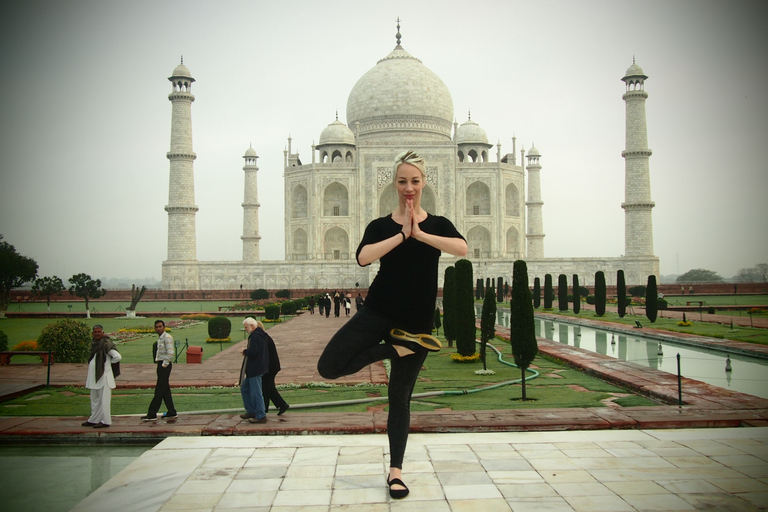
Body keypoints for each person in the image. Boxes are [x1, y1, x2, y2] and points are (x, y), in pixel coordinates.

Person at [317, 151, 467, 499]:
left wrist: (420, 233)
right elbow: (363, 258)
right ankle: (394, 347)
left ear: (424, 182)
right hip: (378, 313)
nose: (409, 187)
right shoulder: (380, 226)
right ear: (393, 184)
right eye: (402, 181)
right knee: (329, 366)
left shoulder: (439, 224)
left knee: (399, 398)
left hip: (417, 325)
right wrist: (402, 234)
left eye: (415, 181)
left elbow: (461, 248)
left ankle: (395, 472)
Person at [82, 325, 122, 428]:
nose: (97, 333)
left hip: (104, 377)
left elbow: (117, 357)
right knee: (95, 399)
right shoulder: (94, 344)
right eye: (95, 332)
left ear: (102, 333)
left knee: (104, 400)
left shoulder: (105, 344)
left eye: (99, 332)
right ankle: (94, 419)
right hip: (94, 377)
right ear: (92, 333)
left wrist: (107, 364)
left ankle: (105, 421)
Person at [141, 320, 177, 420]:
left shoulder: (167, 338)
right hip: (161, 364)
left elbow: (170, 353)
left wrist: (164, 365)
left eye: (160, 327)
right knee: (165, 390)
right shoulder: (160, 338)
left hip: (164, 365)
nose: (158, 329)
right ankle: (172, 411)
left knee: (159, 390)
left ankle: (152, 413)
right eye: (156, 327)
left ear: (164, 327)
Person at [239, 317, 269, 423]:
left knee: (256, 392)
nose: (245, 329)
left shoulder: (255, 336)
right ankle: (251, 411)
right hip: (257, 367)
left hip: (255, 368)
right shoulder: (261, 334)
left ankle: (261, 415)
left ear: (252, 326)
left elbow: (253, 352)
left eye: (246, 327)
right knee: (245, 389)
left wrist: (244, 351)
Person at [260, 321, 290, 415]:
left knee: (266, 387)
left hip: (270, 367)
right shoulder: (265, 337)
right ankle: (281, 405)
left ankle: (265, 408)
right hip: (272, 366)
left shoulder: (263, 338)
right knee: (269, 387)